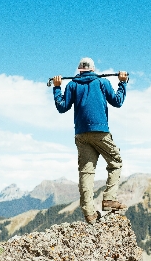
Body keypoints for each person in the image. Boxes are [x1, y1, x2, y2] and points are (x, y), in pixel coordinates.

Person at [52, 57, 128, 224]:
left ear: (79, 70)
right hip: (100, 131)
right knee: (115, 162)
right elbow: (117, 101)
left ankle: (89, 213)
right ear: (93, 69)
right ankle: (109, 199)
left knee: (86, 172)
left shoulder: (72, 85)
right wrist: (122, 83)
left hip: (81, 134)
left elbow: (62, 107)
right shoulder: (102, 82)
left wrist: (57, 88)